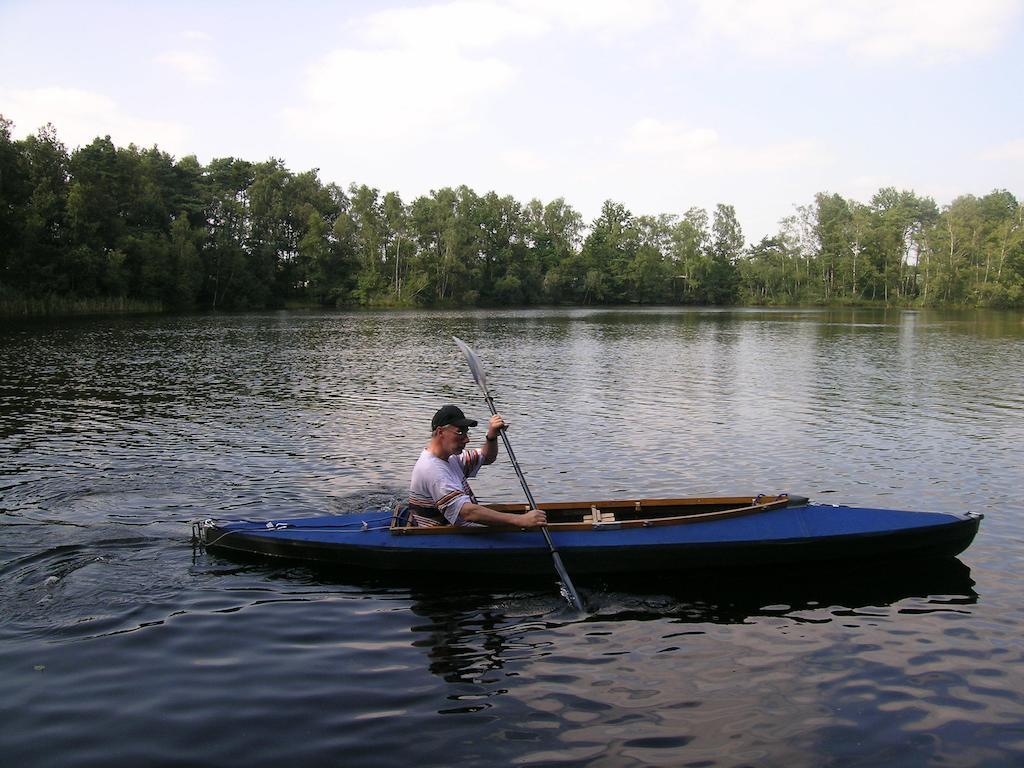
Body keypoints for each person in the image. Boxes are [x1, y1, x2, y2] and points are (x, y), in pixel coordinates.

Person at [408, 404, 547, 528]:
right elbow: (468, 512)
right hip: (442, 538)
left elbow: (487, 457)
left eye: (466, 432)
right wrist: (520, 520)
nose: (467, 439)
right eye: (460, 432)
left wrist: (491, 436)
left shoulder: (451, 459)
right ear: (440, 432)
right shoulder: (432, 470)